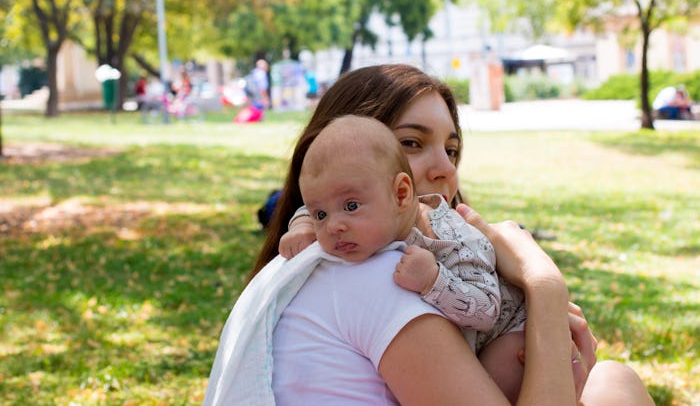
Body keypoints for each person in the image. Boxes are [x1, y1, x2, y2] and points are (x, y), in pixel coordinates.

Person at [207, 64, 653, 405]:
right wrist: (544, 284)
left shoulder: (317, 267)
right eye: (412, 143)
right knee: (614, 384)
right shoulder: (374, 274)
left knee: (611, 381)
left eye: (451, 148)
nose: (445, 169)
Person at [298, 114, 527, 402]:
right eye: (320, 214)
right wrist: (302, 225)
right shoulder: (368, 212)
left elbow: (487, 310)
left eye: (351, 206)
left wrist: (434, 280)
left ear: (402, 194)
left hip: (510, 333)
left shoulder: (451, 238)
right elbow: (320, 201)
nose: (333, 226)